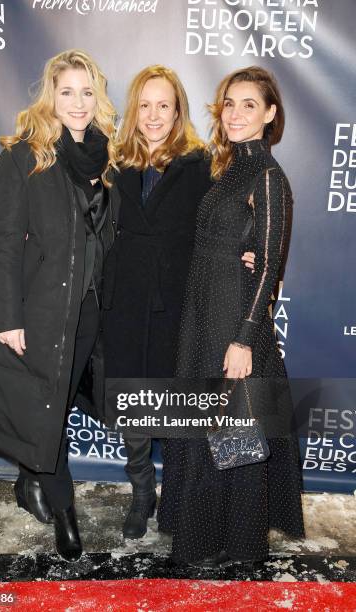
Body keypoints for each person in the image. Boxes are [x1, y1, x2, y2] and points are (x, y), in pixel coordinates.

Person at [158, 66, 305, 566]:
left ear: (270, 114)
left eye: (250, 104)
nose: (237, 113)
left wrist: (244, 338)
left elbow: (269, 266)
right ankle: (197, 524)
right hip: (203, 312)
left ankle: (233, 542)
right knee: (205, 421)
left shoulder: (267, 176)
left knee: (230, 426)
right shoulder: (228, 169)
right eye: (229, 103)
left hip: (231, 321)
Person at [102, 65, 255, 539]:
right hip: (123, 304)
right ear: (134, 110)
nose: (153, 115)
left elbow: (224, 223)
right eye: (144, 104)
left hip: (180, 306)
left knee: (178, 406)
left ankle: (181, 498)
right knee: (133, 404)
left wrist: (246, 251)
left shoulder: (200, 164)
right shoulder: (112, 164)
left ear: (177, 111)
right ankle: (141, 491)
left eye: (163, 105)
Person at [0, 49, 118, 562]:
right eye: (67, 91)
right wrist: (8, 317)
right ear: (50, 97)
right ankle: (63, 509)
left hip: (89, 313)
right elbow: (6, 242)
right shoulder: (25, 154)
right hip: (40, 310)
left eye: (87, 91)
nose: (78, 102)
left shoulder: (107, 157)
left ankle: (28, 477)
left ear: (97, 97)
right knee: (48, 405)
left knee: (52, 405)